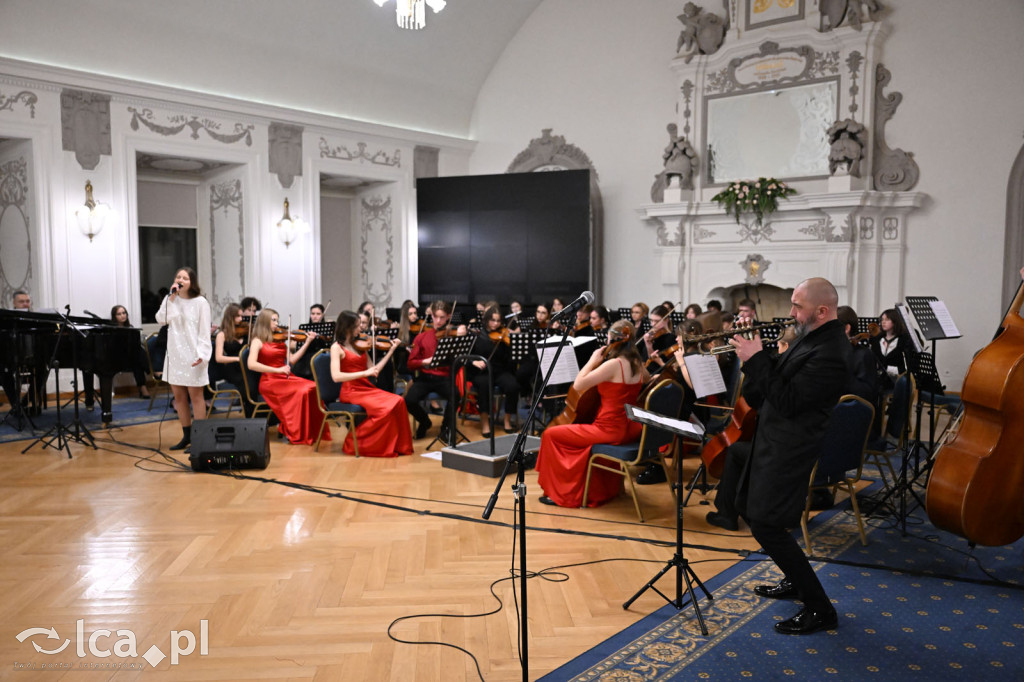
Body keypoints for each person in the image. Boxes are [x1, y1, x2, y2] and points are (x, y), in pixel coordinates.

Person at [728, 277, 851, 635]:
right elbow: (768, 392)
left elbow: (789, 401)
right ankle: (795, 582)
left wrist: (756, 361)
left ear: (822, 311)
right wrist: (755, 359)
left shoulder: (831, 352)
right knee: (753, 510)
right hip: (773, 438)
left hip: (791, 447)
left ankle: (819, 606)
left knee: (766, 522)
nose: (791, 311)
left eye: (797, 305)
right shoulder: (809, 338)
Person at [536, 320, 646, 508]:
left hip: (609, 429)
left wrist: (592, 361)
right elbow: (648, 379)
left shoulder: (614, 364)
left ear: (612, 338)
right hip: (630, 428)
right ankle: (598, 488)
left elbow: (579, 384)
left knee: (550, 434)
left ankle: (561, 494)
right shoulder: (637, 363)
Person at [330, 311, 412, 457]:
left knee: (399, 401)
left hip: (366, 389)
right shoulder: (336, 347)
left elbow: (374, 370)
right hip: (351, 392)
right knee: (386, 409)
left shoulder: (360, 345)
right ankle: (353, 442)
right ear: (347, 327)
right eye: (357, 326)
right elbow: (336, 377)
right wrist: (364, 374)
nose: (361, 329)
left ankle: (400, 446)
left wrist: (391, 351)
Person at [246, 308, 327, 446]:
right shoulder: (257, 341)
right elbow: (251, 364)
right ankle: (294, 430)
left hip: (284, 377)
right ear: (265, 321)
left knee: (313, 387)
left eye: (277, 320)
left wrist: (307, 342)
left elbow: (292, 360)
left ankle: (312, 431)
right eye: (274, 320)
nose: (277, 323)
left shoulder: (280, 338)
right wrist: (277, 370)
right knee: (302, 391)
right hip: (269, 381)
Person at [155, 267, 212, 451]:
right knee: (179, 397)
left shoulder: (201, 302)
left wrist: (202, 355)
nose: (180, 280)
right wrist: (170, 299)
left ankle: (200, 438)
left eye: (184, 278)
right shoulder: (171, 299)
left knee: (196, 397)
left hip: (194, 355)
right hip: (175, 355)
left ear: (191, 282)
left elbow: (204, 332)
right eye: (178, 276)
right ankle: (186, 436)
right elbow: (161, 319)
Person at [404, 300, 466, 440]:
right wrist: (425, 361)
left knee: (455, 394)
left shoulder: (453, 335)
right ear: (431, 315)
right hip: (425, 378)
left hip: (444, 377)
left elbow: (460, 360)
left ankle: (446, 427)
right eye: (435, 316)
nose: (438, 321)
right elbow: (411, 363)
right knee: (409, 400)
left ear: (448, 317)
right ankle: (425, 422)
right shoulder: (421, 337)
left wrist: (461, 337)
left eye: (442, 317)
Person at [466, 306, 519, 436]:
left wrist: (510, 344)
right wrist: (474, 361)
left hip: (499, 371)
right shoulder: (478, 335)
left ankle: (507, 420)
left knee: (513, 386)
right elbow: (466, 355)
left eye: (498, 321)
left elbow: (510, 359)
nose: (495, 324)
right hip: (482, 372)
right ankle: (485, 422)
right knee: (484, 386)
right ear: (486, 320)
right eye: (492, 320)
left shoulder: (503, 335)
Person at [110, 305, 151, 399]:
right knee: (138, 356)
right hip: (119, 359)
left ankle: (143, 387)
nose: (122, 315)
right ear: (114, 316)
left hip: (131, 358)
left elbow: (134, 345)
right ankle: (149, 371)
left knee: (137, 355)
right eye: (119, 314)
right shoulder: (112, 330)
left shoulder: (131, 328)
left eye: (124, 313)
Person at [870, 308, 913, 390]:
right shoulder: (877, 339)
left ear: (895, 321)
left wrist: (886, 368)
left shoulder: (903, 340)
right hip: (878, 380)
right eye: (882, 319)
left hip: (897, 382)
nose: (883, 322)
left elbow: (905, 368)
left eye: (887, 319)